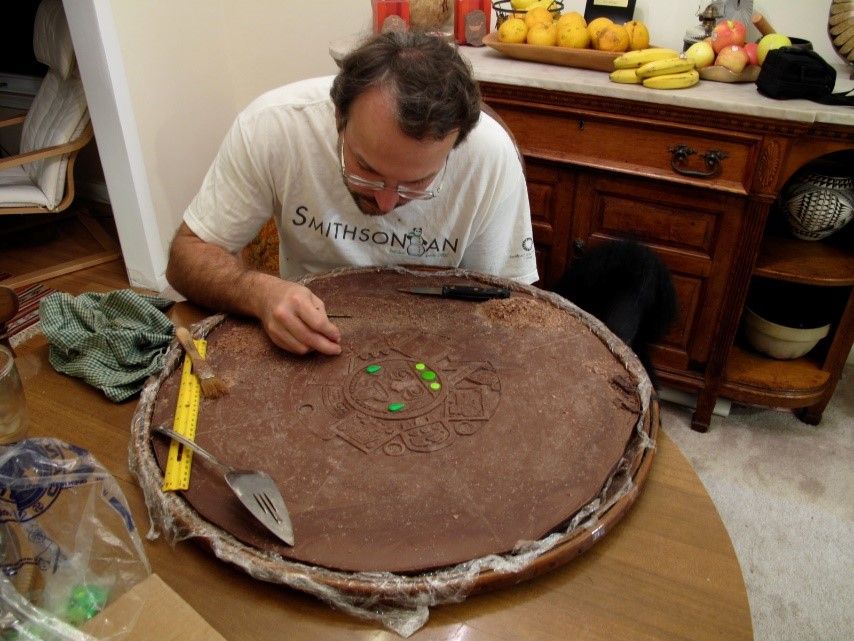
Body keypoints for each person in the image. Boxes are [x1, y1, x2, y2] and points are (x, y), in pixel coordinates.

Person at [166, 31, 537, 356]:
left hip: (435, 345)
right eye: (368, 171)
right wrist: (260, 293)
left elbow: (507, 304)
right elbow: (186, 257)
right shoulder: (274, 127)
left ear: (456, 144)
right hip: (309, 339)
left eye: (417, 182)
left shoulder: (489, 156)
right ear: (339, 117)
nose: (387, 202)